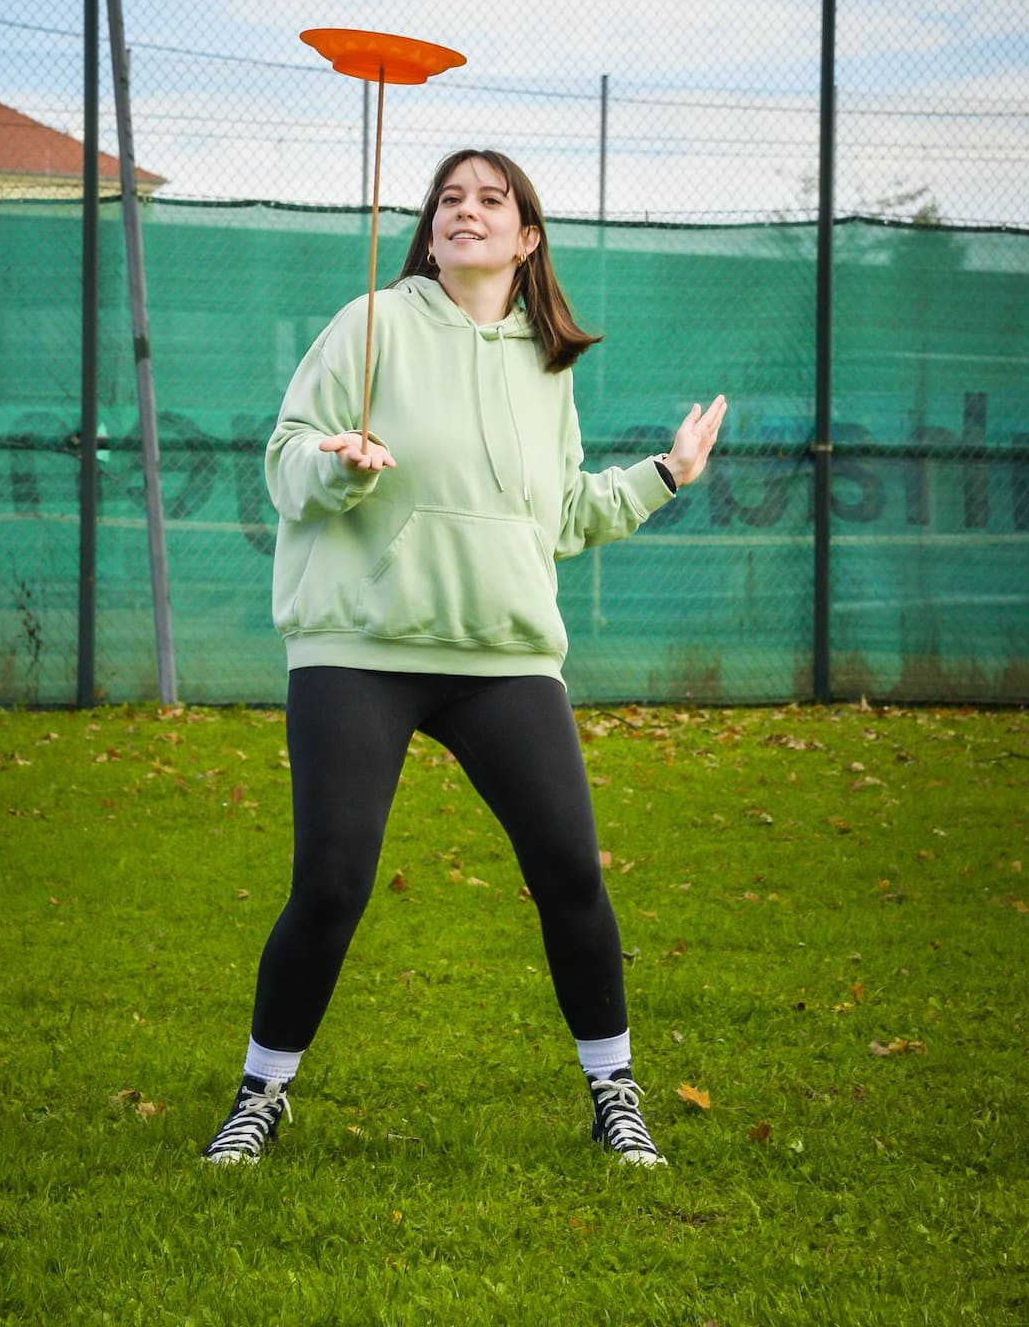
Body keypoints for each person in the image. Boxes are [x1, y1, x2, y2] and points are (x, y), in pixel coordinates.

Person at [203, 149, 726, 1168]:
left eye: (490, 199)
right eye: (450, 198)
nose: (465, 210)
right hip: (360, 647)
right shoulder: (372, 323)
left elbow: (560, 515)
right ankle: (260, 1095)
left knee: (571, 872)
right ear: (431, 232)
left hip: (504, 655)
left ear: (527, 237)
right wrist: (339, 466)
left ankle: (614, 1093)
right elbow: (286, 460)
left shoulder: (546, 363)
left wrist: (667, 472)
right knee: (331, 881)